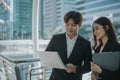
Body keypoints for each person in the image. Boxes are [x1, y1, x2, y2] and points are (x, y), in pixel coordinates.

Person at [45, 11, 92, 80]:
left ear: (79, 25)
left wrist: (75, 69)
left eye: (73, 25)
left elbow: (88, 66)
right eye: (67, 24)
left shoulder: (85, 44)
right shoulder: (56, 39)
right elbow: (47, 56)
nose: (69, 28)